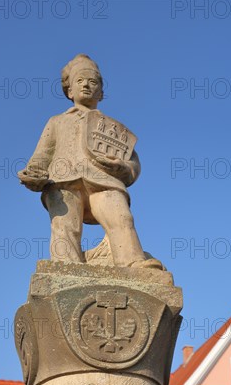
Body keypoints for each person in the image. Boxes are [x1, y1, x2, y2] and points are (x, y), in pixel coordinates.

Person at [18, 54, 161, 269]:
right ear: (69, 90)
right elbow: (42, 155)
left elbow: (133, 162)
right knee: (65, 226)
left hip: (104, 180)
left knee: (121, 219)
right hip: (63, 180)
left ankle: (131, 261)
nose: (86, 85)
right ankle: (66, 266)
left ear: (101, 92)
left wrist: (122, 167)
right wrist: (34, 173)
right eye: (80, 81)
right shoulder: (57, 121)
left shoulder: (110, 127)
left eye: (93, 82)